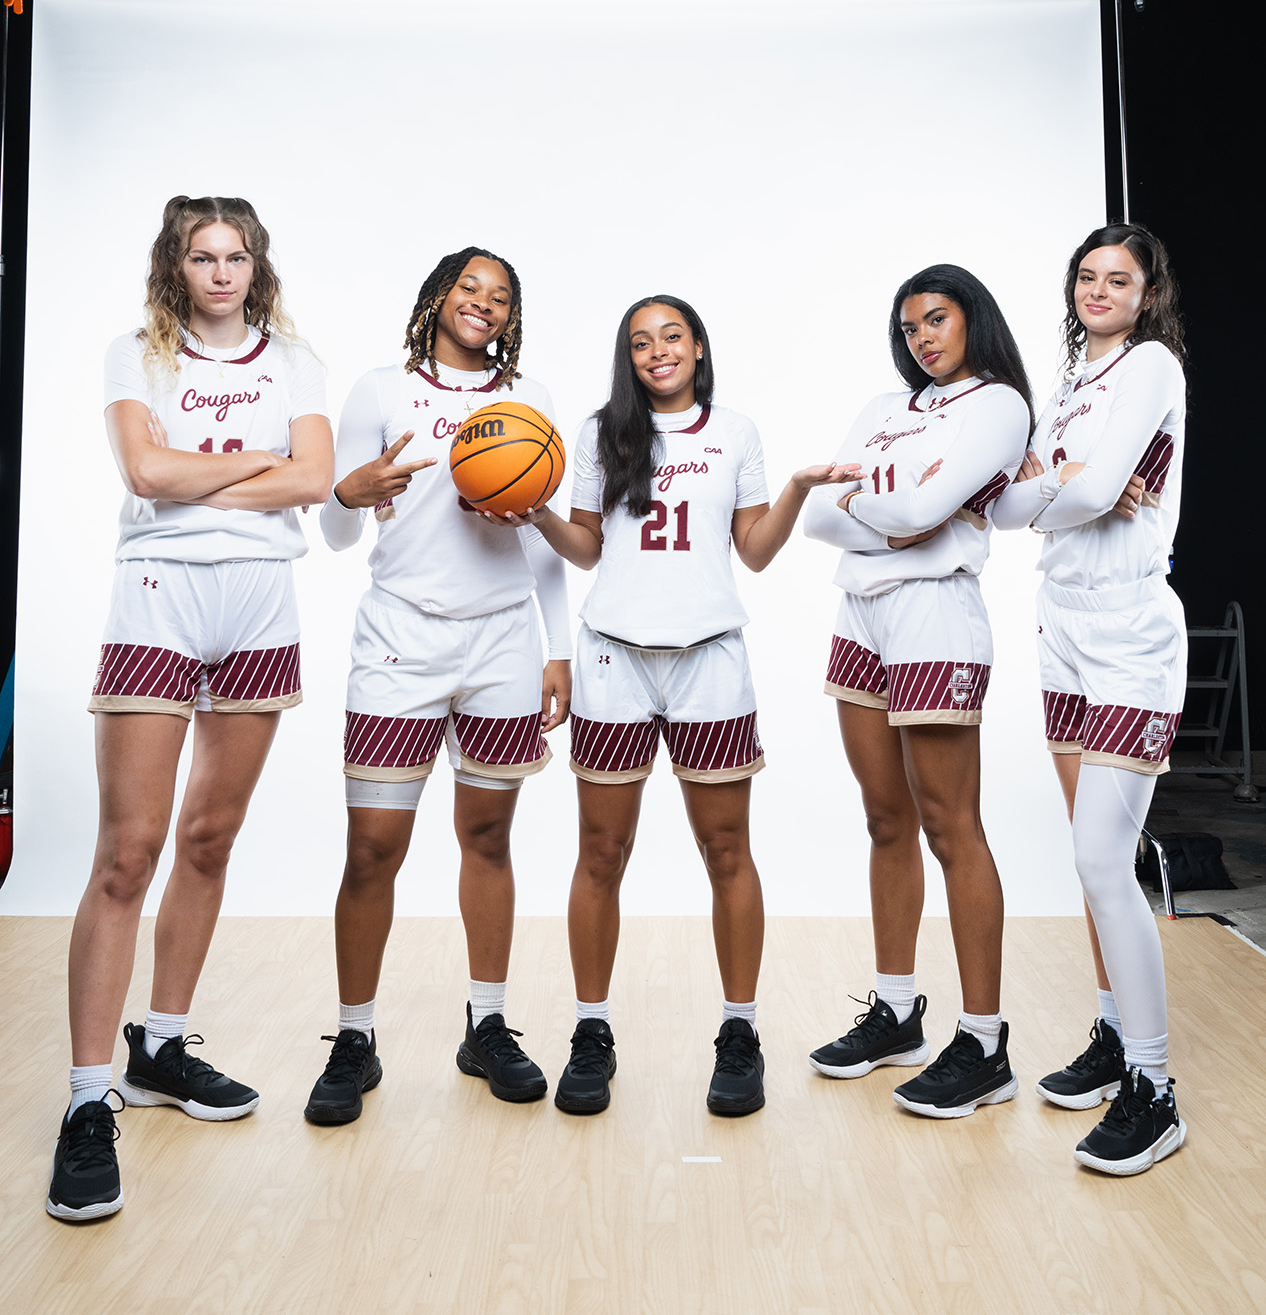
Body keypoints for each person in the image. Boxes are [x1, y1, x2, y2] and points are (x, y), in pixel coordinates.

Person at [48, 196, 333, 1222]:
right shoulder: (139, 353)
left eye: (236, 255)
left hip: (261, 602)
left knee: (209, 839)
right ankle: (88, 1100)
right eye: (201, 255)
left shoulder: (293, 362)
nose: (220, 271)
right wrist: (264, 467)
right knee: (130, 852)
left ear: (257, 266)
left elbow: (316, 479)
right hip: (161, 592)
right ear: (176, 264)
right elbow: (144, 470)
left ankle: (161, 1046)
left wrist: (208, 475)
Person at [523, 295, 857, 1117]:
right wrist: (532, 508)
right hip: (614, 658)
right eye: (641, 342)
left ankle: (739, 1031)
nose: (657, 351)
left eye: (671, 336)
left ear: (699, 347)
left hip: (709, 655)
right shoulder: (606, 431)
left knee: (726, 851)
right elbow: (588, 545)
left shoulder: (736, 432)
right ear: (628, 358)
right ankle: (591, 1031)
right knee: (601, 854)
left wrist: (799, 489)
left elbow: (755, 553)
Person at [303, 249, 570, 1125]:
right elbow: (340, 532)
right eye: (470, 289)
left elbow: (540, 545)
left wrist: (556, 650)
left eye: (501, 297)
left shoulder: (525, 405)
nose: (483, 305)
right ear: (438, 297)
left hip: (501, 642)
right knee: (373, 848)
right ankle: (353, 1038)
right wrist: (352, 490)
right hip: (399, 640)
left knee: (488, 838)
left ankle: (486, 1026)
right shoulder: (381, 391)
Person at [805, 264, 1032, 1118]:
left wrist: (886, 503)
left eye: (936, 320)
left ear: (971, 319)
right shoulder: (886, 409)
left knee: (950, 823)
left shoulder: (1000, 404)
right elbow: (822, 514)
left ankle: (984, 1042)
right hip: (861, 612)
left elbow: (921, 508)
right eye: (909, 328)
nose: (923, 339)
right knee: (885, 817)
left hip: (937, 612)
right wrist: (897, 508)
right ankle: (897, 1013)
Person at [990, 223, 1187, 1175]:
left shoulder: (1150, 366)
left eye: (1118, 278)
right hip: (1061, 625)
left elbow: (1092, 484)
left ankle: (1156, 1087)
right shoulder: (1072, 385)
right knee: (1087, 859)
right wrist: (1063, 491)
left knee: (1103, 860)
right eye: (1086, 276)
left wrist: (1062, 488)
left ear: (1148, 295)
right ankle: (1115, 1037)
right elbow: (1005, 502)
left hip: (1127, 634)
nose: (1098, 289)